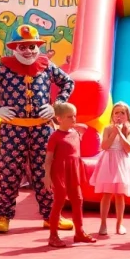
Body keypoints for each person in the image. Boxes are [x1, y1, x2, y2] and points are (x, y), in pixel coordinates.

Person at [0, 24, 76, 234]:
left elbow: (68, 82)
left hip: (41, 130)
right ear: (14, 48)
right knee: (9, 172)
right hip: (13, 130)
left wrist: (56, 106)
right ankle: (3, 216)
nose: (28, 51)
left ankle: (51, 216)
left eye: (32, 46)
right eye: (23, 47)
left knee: (44, 171)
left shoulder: (46, 65)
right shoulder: (3, 67)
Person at [44, 103, 96, 248]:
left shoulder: (76, 132)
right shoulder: (55, 136)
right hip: (60, 171)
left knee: (78, 200)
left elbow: (84, 127)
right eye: (69, 116)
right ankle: (53, 236)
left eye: (75, 115)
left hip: (74, 171)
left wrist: (72, 121)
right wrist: (47, 176)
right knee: (59, 201)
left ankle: (79, 232)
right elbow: (48, 159)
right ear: (59, 119)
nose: (74, 119)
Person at [90, 101, 130, 236]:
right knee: (106, 194)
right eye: (116, 113)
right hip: (108, 162)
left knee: (120, 195)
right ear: (112, 115)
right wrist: (114, 132)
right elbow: (104, 146)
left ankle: (119, 224)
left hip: (122, 162)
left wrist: (121, 133)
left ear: (127, 115)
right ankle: (103, 223)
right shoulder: (108, 129)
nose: (119, 115)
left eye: (122, 112)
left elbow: (128, 149)